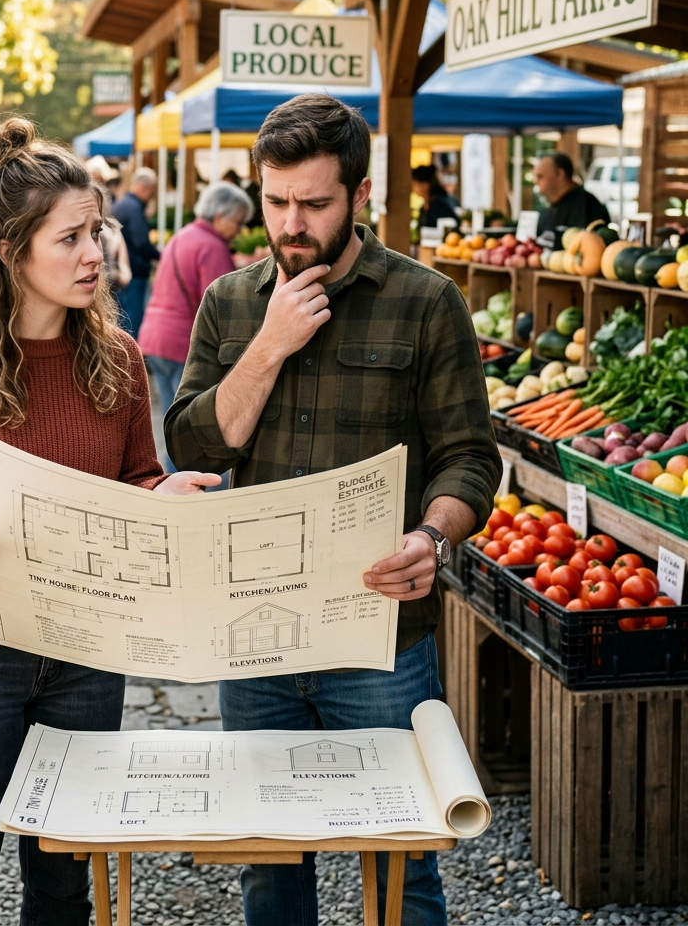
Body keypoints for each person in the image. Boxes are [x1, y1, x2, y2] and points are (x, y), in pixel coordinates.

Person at [0, 117, 219, 925]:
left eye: (95, 231)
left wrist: (158, 500)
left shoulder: (121, 359)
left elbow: (136, 477)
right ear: (9, 251)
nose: (96, 252)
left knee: (65, 883)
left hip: (89, 652)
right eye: (71, 239)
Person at [165, 94, 501, 926]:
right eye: (276, 201)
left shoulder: (427, 301)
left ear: (359, 197)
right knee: (269, 865)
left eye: (314, 203)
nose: (291, 223)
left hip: (383, 636)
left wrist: (433, 534)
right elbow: (196, 449)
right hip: (256, 632)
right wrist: (271, 343)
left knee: (404, 858)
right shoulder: (232, 304)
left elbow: (469, 457)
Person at [138, 181, 252, 471]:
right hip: (180, 342)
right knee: (191, 432)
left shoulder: (185, 235)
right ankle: (190, 493)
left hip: (154, 338)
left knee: (170, 421)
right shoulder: (212, 246)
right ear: (219, 216)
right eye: (238, 222)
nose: (240, 230)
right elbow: (224, 307)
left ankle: (171, 481)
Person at [111, 167, 159, 337]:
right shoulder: (134, 208)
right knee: (132, 322)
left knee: (121, 319)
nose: (151, 195)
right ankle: (131, 359)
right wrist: (160, 255)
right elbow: (141, 243)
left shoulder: (122, 204)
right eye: (151, 190)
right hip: (134, 273)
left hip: (120, 270)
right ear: (143, 187)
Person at [533, 151, 609, 235]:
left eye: (540, 176)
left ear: (560, 174)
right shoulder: (548, 210)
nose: (535, 182)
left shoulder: (588, 207)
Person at [411, 165, 460, 229]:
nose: (412, 188)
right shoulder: (425, 206)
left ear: (425, 185)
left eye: (414, 184)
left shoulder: (440, 204)